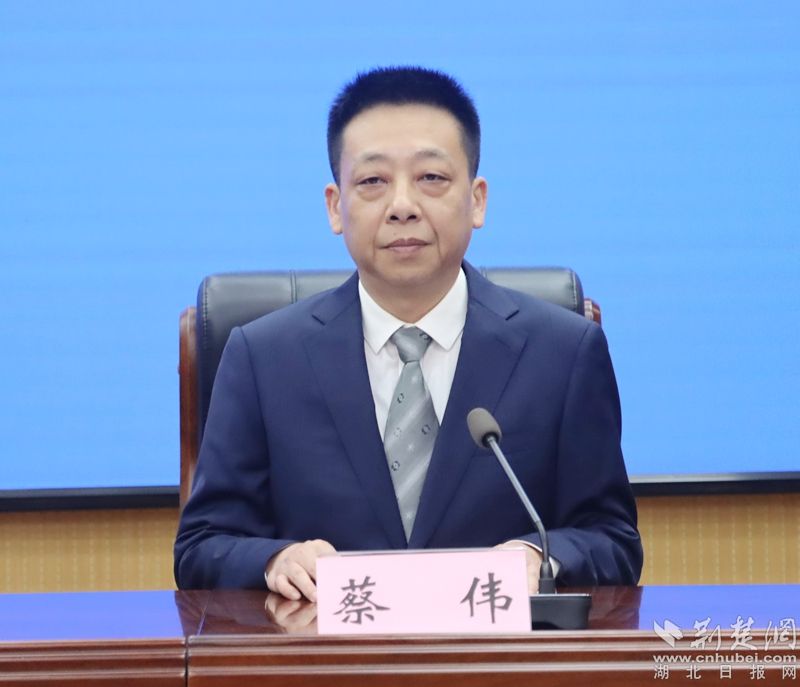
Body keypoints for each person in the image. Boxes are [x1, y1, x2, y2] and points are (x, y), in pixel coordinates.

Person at [174, 66, 643, 599]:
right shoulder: (263, 359)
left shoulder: (562, 352)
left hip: (498, 647)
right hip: (326, 646)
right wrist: (276, 560)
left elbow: (613, 541)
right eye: (373, 182)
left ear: (477, 199)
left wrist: (541, 556)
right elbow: (202, 546)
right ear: (335, 207)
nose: (402, 206)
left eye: (431, 178)